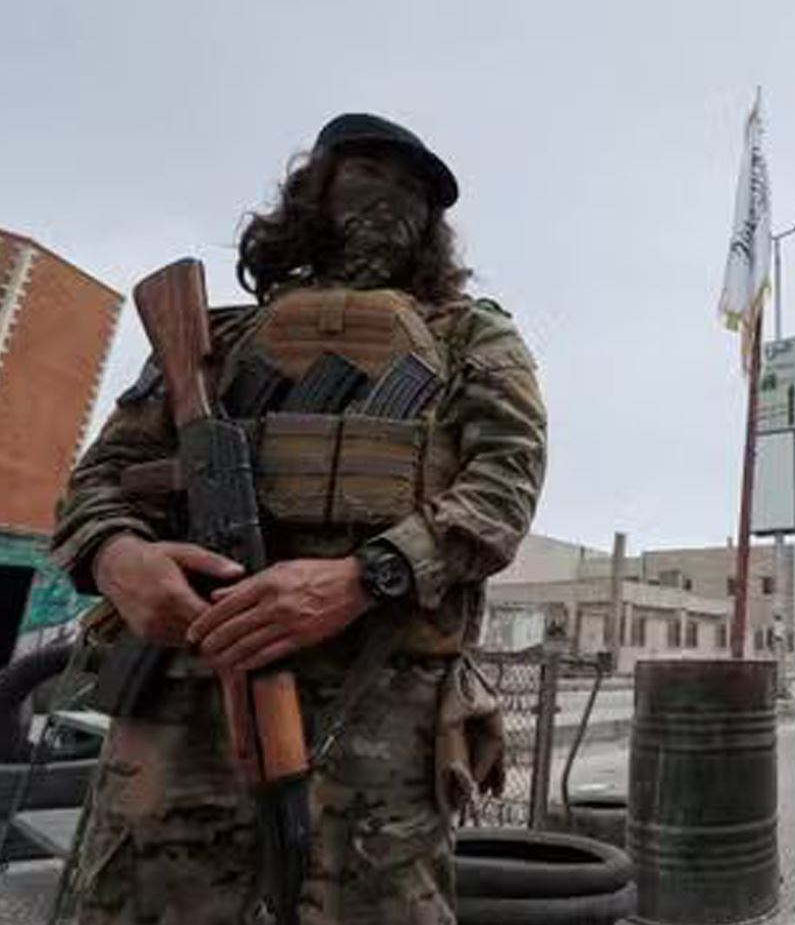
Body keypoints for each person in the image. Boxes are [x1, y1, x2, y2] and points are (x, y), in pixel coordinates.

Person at [51, 112, 548, 924]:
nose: (388, 200)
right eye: (367, 173)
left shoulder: (471, 336)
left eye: (412, 191)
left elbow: (504, 487)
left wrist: (363, 577)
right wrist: (118, 558)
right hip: (181, 698)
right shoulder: (213, 339)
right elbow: (98, 480)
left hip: (376, 705)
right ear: (311, 190)